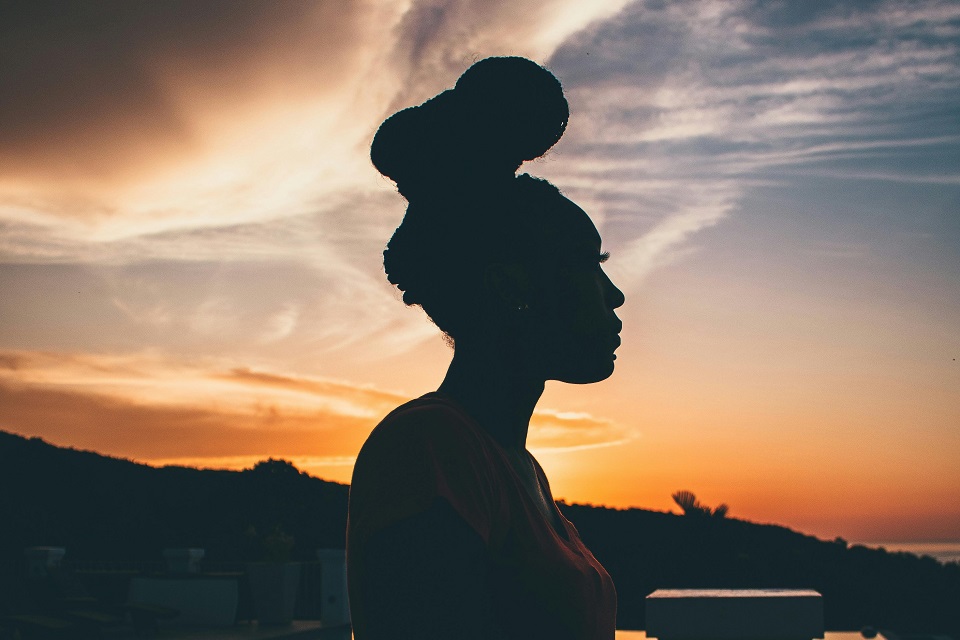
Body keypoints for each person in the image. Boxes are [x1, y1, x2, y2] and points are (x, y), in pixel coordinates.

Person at [346, 56, 624, 640]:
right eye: (587, 266)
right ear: (510, 285)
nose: (615, 295)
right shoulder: (432, 448)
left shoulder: (512, 464)